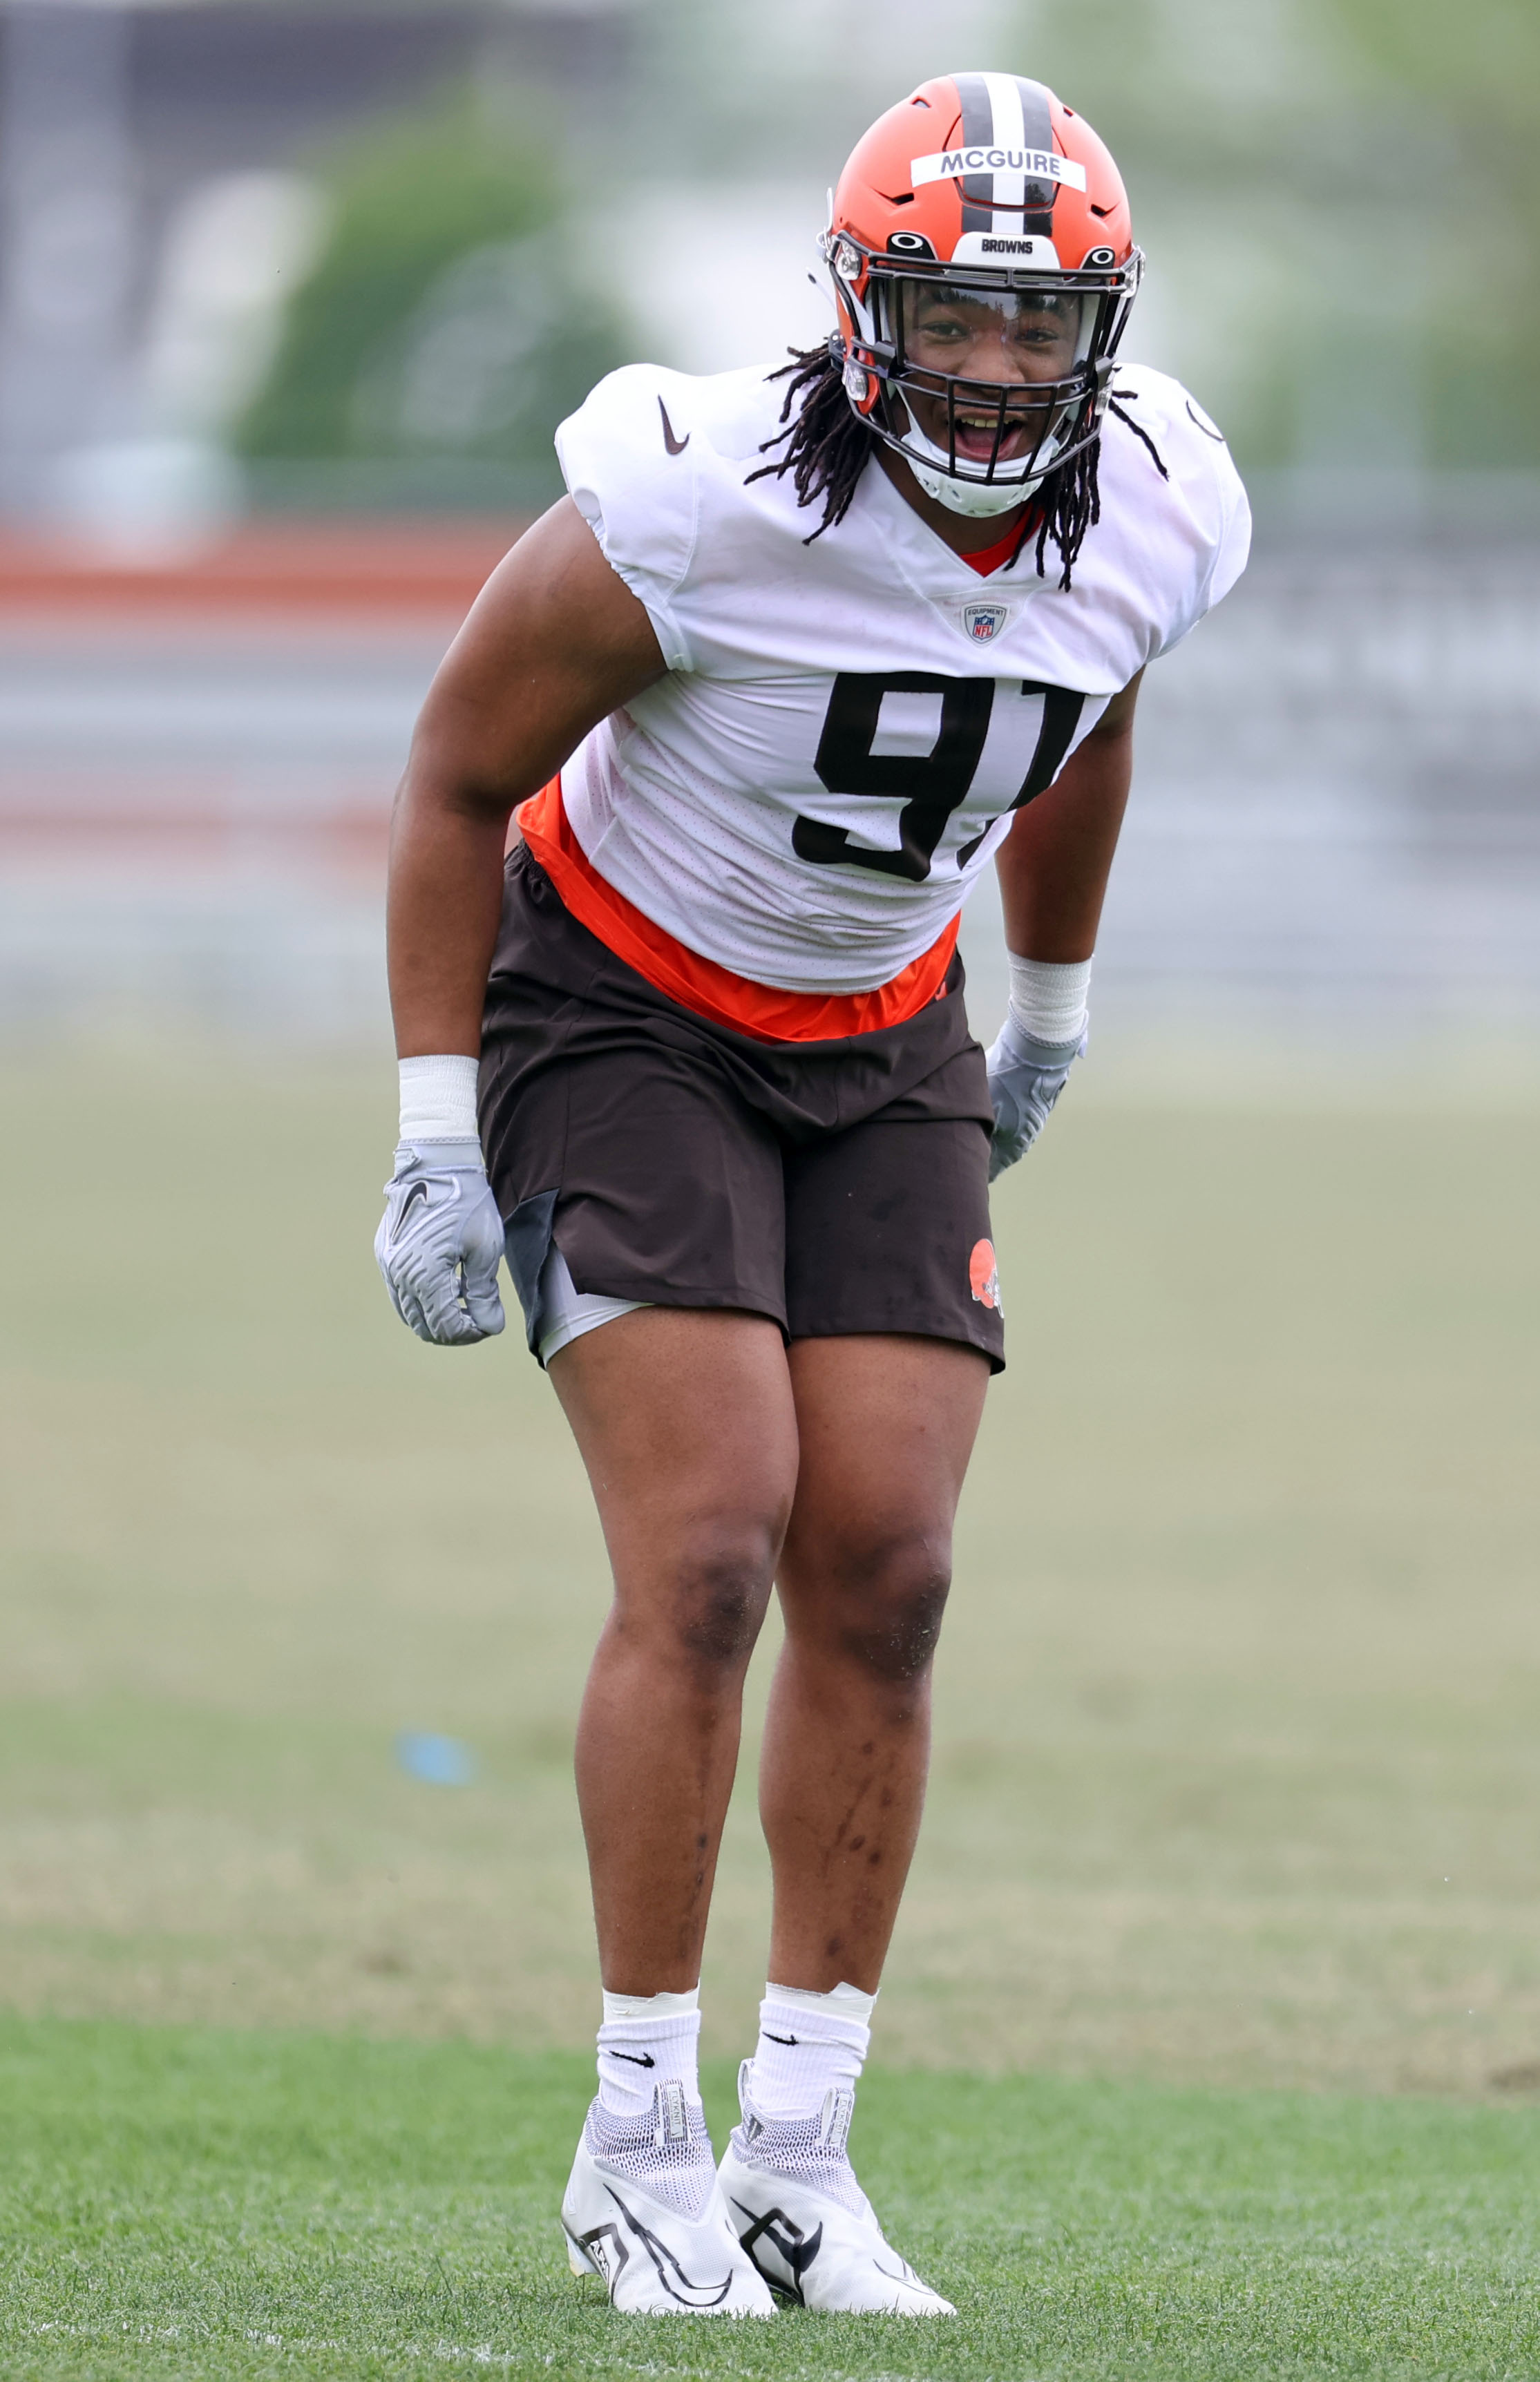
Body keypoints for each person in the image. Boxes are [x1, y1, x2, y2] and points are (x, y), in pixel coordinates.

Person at [375, 70, 1249, 2318]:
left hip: (882, 1027)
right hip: (622, 1002)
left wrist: (1041, 1010)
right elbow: (463, 765)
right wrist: (430, 1120)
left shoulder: (1160, 508)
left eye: (1035, 332)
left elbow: (1094, 715)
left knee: (898, 1562)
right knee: (711, 1540)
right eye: (947, 319)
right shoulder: (692, 499)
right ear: (862, 314)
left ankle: (796, 2154)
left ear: (1105, 339)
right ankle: (635, 2134)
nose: (987, 371)